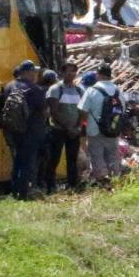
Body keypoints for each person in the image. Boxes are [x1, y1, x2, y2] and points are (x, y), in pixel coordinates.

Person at [5, 60, 48, 200]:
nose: (35, 74)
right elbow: (44, 111)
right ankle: (24, 192)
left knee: (17, 160)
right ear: (28, 72)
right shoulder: (34, 89)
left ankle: (15, 191)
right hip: (31, 131)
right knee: (28, 162)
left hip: (13, 130)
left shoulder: (9, 86)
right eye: (34, 72)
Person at [78, 63, 123, 187]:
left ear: (98, 75)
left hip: (95, 130)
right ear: (110, 75)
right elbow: (122, 110)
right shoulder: (118, 91)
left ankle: (103, 182)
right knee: (113, 155)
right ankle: (115, 180)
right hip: (113, 130)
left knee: (97, 156)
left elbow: (83, 110)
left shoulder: (91, 91)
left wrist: (81, 125)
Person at [45, 62, 85, 192]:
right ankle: (50, 186)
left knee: (72, 159)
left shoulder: (79, 90)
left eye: (74, 71)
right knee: (54, 158)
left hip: (74, 130)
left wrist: (78, 127)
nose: (71, 74)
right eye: (68, 71)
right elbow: (53, 111)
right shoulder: (56, 89)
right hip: (58, 130)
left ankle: (72, 185)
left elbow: (82, 111)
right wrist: (67, 128)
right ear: (62, 73)